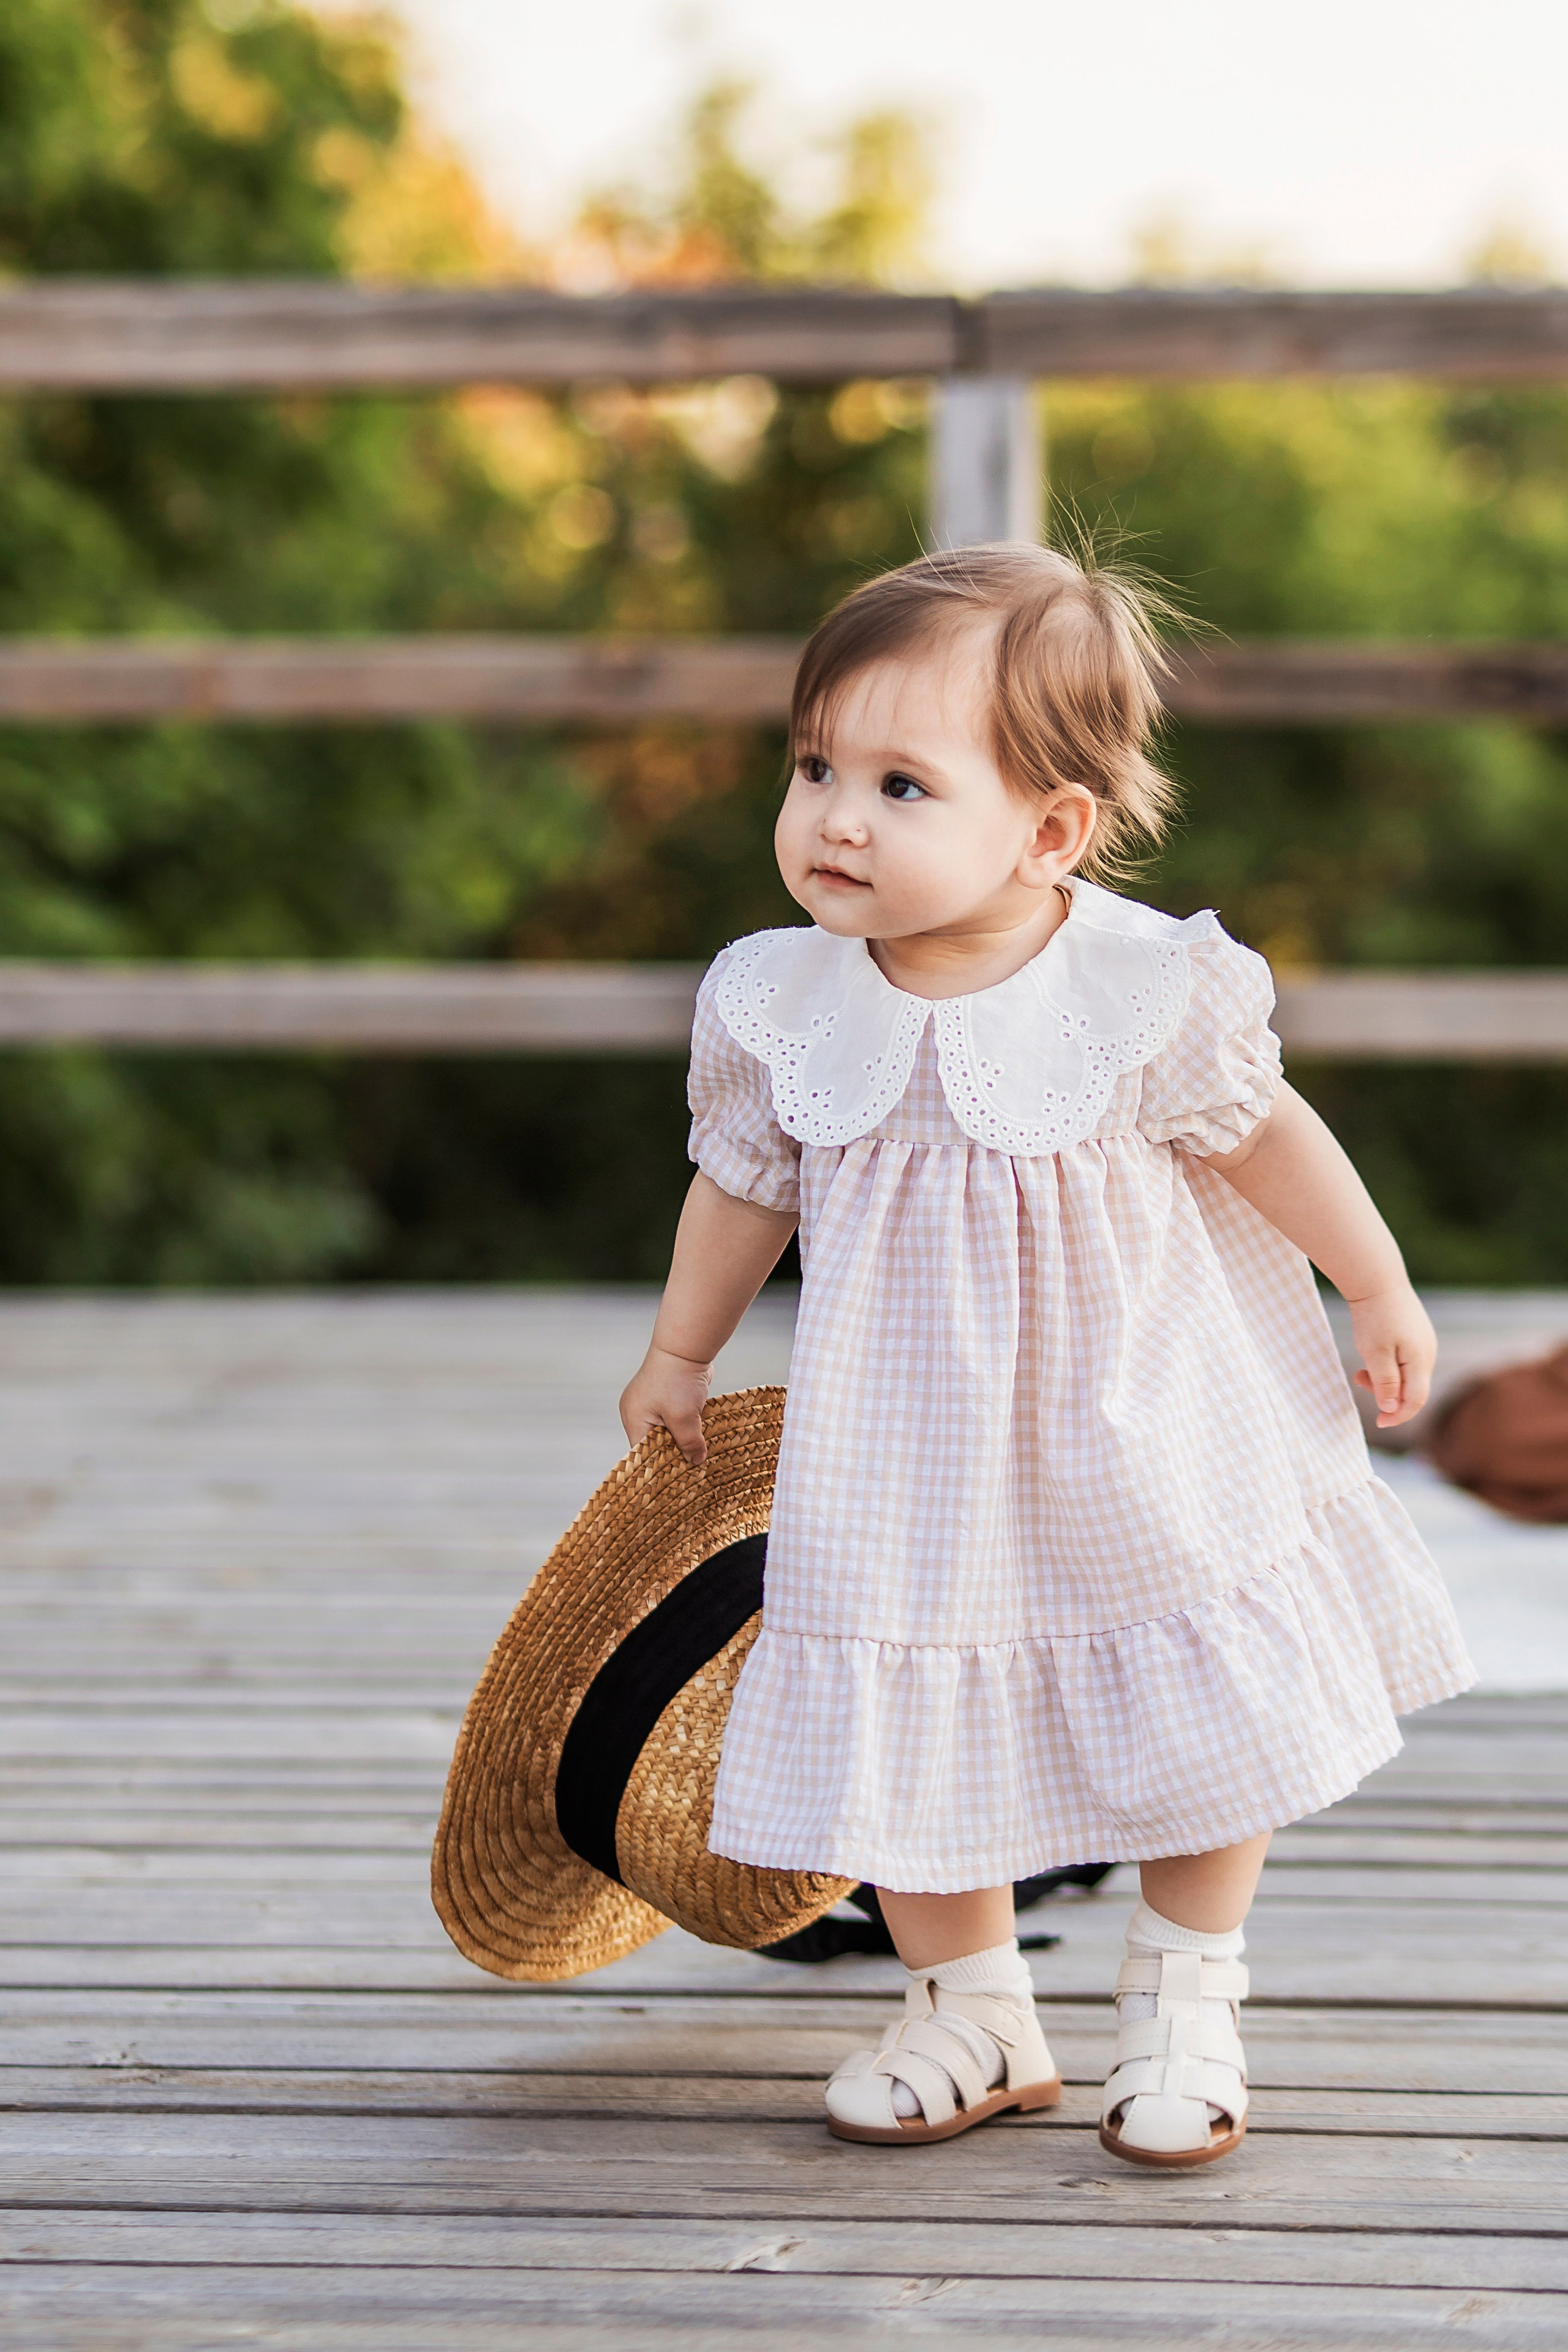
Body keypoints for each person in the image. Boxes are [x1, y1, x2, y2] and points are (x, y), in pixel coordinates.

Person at [619, 545, 1474, 2169]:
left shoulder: (1141, 992)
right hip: (904, 1450)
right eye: (814, 769)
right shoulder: (784, 1000)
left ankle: (1185, 1990)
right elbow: (742, 1184)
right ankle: (974, 2006)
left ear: (1051, 830)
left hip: (1135, 1424)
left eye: (900, 783)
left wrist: (1376, 1284)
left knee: (1195, 1700)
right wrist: (680, 1350)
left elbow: (1266, 1138)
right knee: (909, 1706)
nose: (836, 817)